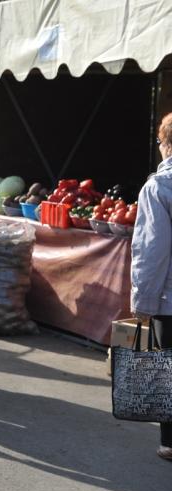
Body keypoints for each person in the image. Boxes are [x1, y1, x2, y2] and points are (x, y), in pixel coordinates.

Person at [131, 111, 172, 462]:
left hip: (170, 300)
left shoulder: (159, 187)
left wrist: (142, 299)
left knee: (168, 368)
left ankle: (170, 441)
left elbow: (151, 249)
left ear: (167, 144)